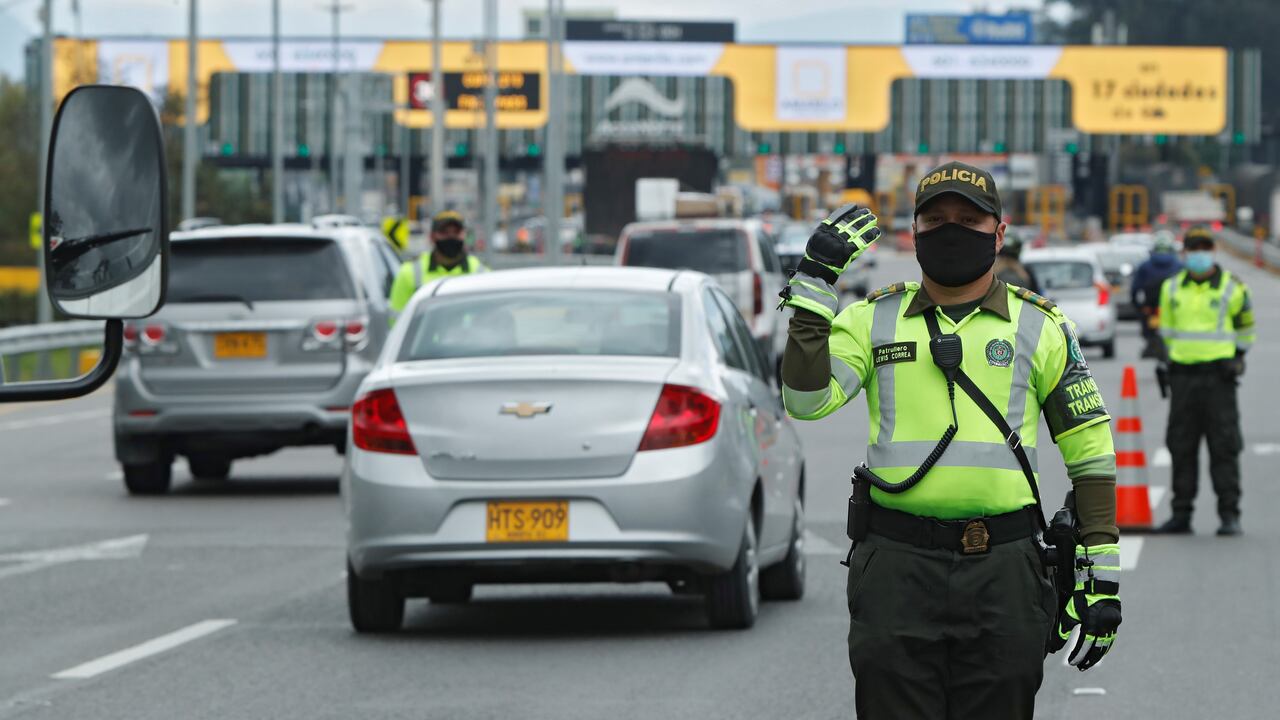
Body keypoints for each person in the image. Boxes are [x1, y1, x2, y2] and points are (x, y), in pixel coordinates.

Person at [777, 161, 1121, 719]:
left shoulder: (1041, 326)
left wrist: (1102, 573)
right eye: (935, 219)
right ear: (912, 232)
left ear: (999, 234)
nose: (951, 229)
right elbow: (807, 400)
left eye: (968, 219)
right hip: (895, 569)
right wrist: (814, 286)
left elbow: (1090, 453)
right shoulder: (872, 320)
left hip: (1005, 573)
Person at [1155, 226, 1255, 536]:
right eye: (1193, 248)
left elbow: (1246, 330)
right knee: (1181, 447)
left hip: (1218, 379)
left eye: (1204, 247)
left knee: (1224, 446)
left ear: (1212, 251)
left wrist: (1235, 358)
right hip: (1183, 379)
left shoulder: (1233, 288)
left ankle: (1229, 514)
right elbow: (1166, 332)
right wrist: (1167, 362)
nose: (1199, 253)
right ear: (1185, 253)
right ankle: (1181, 514)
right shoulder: (1171, 289)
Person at [388, 210, 488, 316]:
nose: (451, 237)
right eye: (444, 232)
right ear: (432, 236)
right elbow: (396, 319)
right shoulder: (409, 273)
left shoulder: (481, 273)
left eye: (456, 232)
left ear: (464, 235)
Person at [1131, 230, 1182, 358]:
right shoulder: (1179, 266)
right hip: (1174, 307)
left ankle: (1151, 342)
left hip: (1151, 308)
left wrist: (1139, 307)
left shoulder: (1145, 266)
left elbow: (1135, 289)